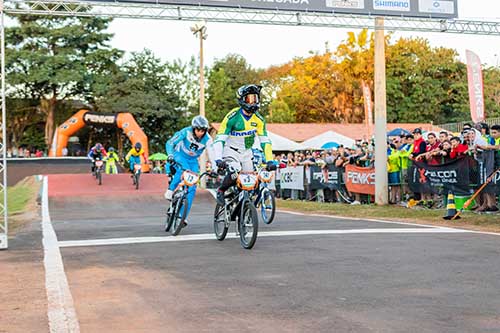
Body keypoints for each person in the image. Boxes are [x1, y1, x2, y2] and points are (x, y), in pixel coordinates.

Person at [213, 84, 275, 205]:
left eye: (255, 99)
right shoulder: (233, 117)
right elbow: (219, 139)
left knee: (250, 181)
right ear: (242, 100)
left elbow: (265, 142)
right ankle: (221, 190)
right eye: (249, 99)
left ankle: (243, 206)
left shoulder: (259, 120)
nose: (253, 102)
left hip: (247, 152)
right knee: (235, 171)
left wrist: (269, 160)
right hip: (231, 150)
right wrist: (218, 159)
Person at [164, 115, 214, 224]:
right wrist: (170, 155)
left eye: (203, 131)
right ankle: (171, 189)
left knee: (192, 186)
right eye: (198, 130)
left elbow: (212, 154)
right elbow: (170, 143)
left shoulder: (208, 139)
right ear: (193, 128)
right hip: (179, 155)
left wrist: (215, 168)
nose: (201, 133)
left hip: (193, 161)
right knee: (184, 170)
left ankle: (182, 216)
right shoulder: (185, 132)